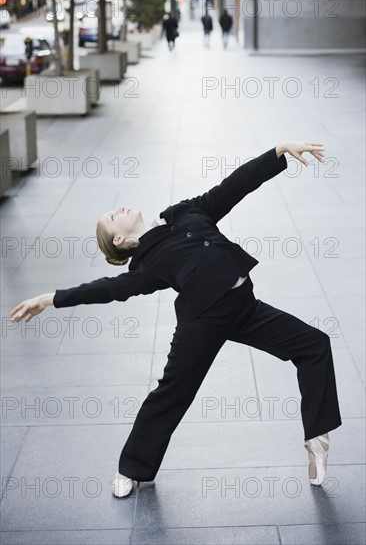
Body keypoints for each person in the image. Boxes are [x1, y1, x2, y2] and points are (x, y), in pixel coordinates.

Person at [10, 141, 342, 499]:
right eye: (111, 216)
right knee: (171, 393)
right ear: (120, 239)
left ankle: (317, 437)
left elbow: (231, 187)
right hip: (203, 321)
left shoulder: (183, 212)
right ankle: (130, 469)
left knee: (314, 345)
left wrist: (277, 152)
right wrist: (51, 298)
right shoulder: (145, 266)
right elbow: (105, 288)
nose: (117, 208)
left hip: (244, 308)